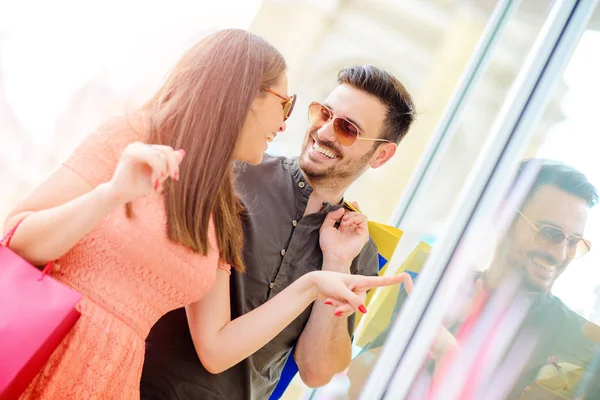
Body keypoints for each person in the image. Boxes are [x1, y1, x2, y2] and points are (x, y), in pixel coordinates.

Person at [2, 29, 406, 400]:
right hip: (57, 354)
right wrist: (112, 194)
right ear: (244, 96)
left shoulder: (232, 204)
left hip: (112, 380)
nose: (296, 126)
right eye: (308, 110)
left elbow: (227, 349)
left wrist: (323, 274)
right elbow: (17, 239)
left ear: (381, 154)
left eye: (348, 128)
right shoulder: (161, 147)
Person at [140, 64, 417, 399]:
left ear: (382, 155)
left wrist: (337, 262)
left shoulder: (358, 249)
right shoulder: (236, 173)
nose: (325, 132)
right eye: (323, 113)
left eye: (347, 128)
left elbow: (316, 372)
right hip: (137, 386)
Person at [348, 159, 600, 399]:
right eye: (549, 233)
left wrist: (449, 360)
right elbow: (358, 387)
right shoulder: (435, 288)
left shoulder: (584, 345)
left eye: (574, 241)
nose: (560, 254)